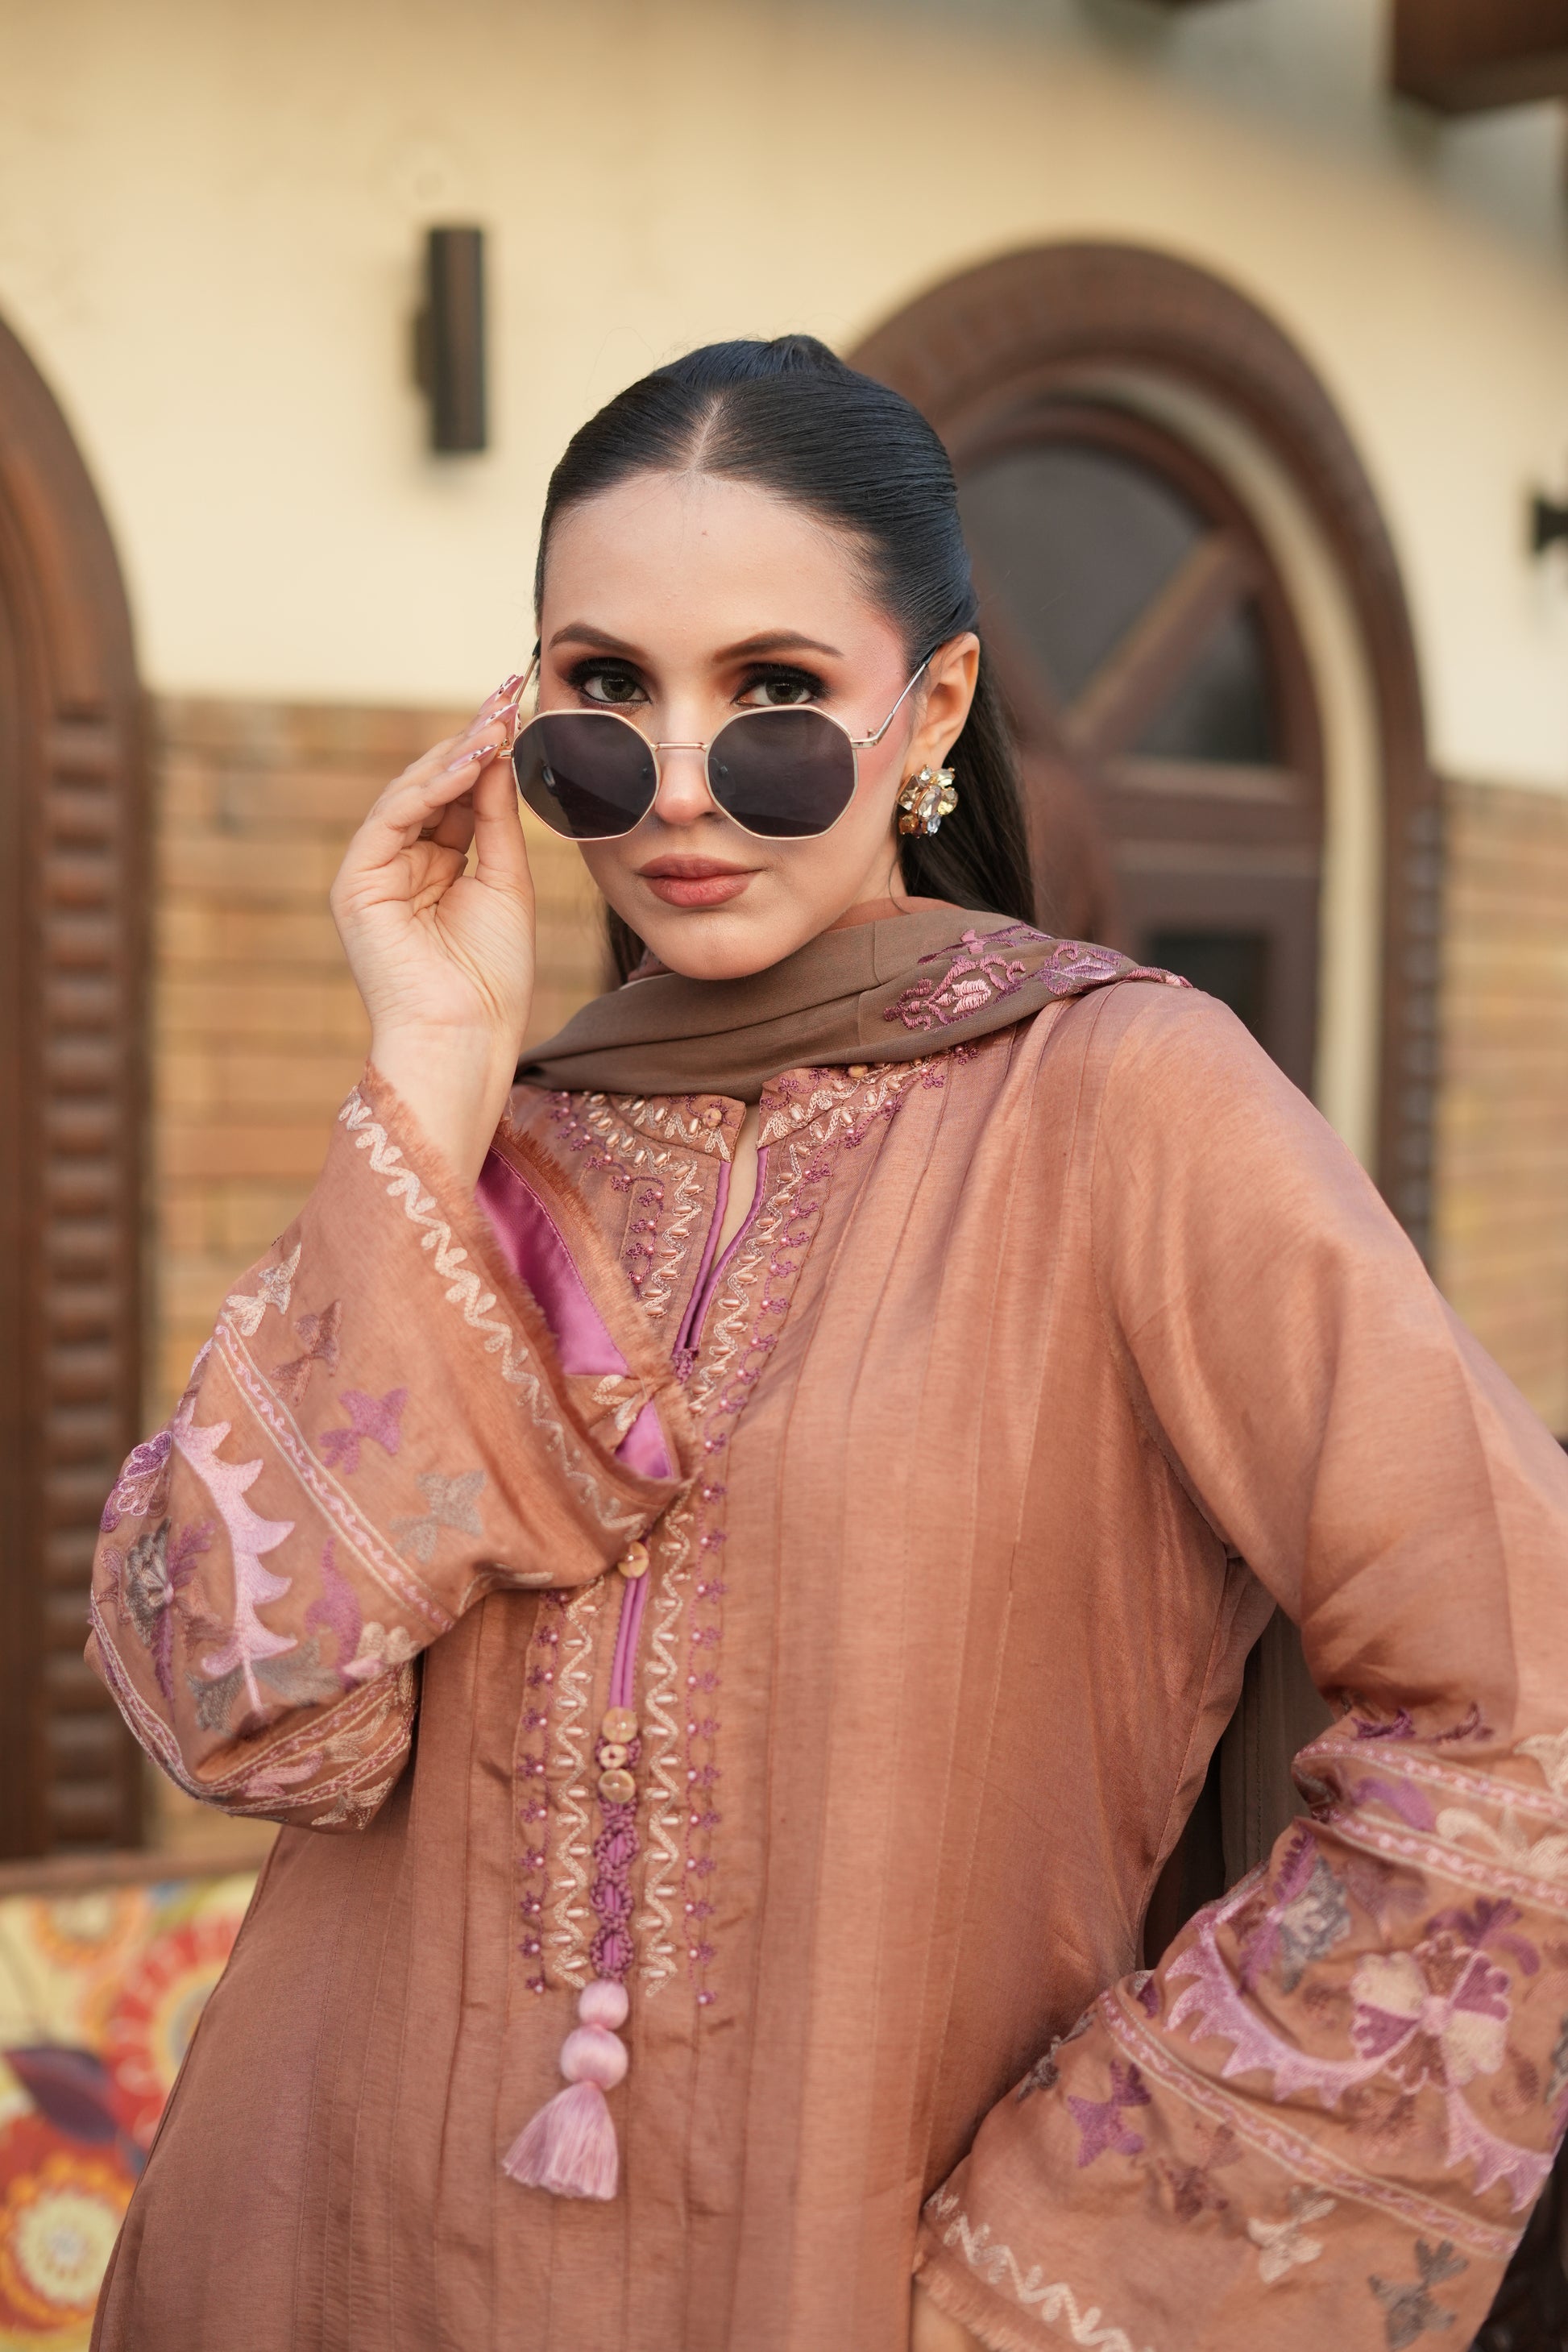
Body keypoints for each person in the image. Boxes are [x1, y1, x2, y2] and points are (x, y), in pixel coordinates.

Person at [88, 337, 1568, 2352]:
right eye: (607, 695)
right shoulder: (492, 1156)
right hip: (323, 2264)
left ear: (929, 705)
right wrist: (431, 1067)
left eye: (773, 693)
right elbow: (233, 1706)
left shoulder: (1123, 1100)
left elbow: (1521, 1718)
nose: (682, 784)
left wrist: (1074, 2267)